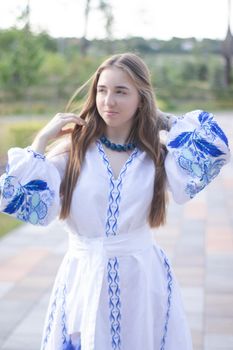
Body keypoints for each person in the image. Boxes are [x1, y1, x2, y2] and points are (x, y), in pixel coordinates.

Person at [0, 53, 231, 350]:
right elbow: (14, 197)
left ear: (141, 98)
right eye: (102, 90)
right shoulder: (72, 152)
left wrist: (164, 120)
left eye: (121, 92)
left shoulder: (156, 155)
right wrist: (41, 141)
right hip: (84, 274)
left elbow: (216, 149)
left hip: (141, 277)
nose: (109, 101)